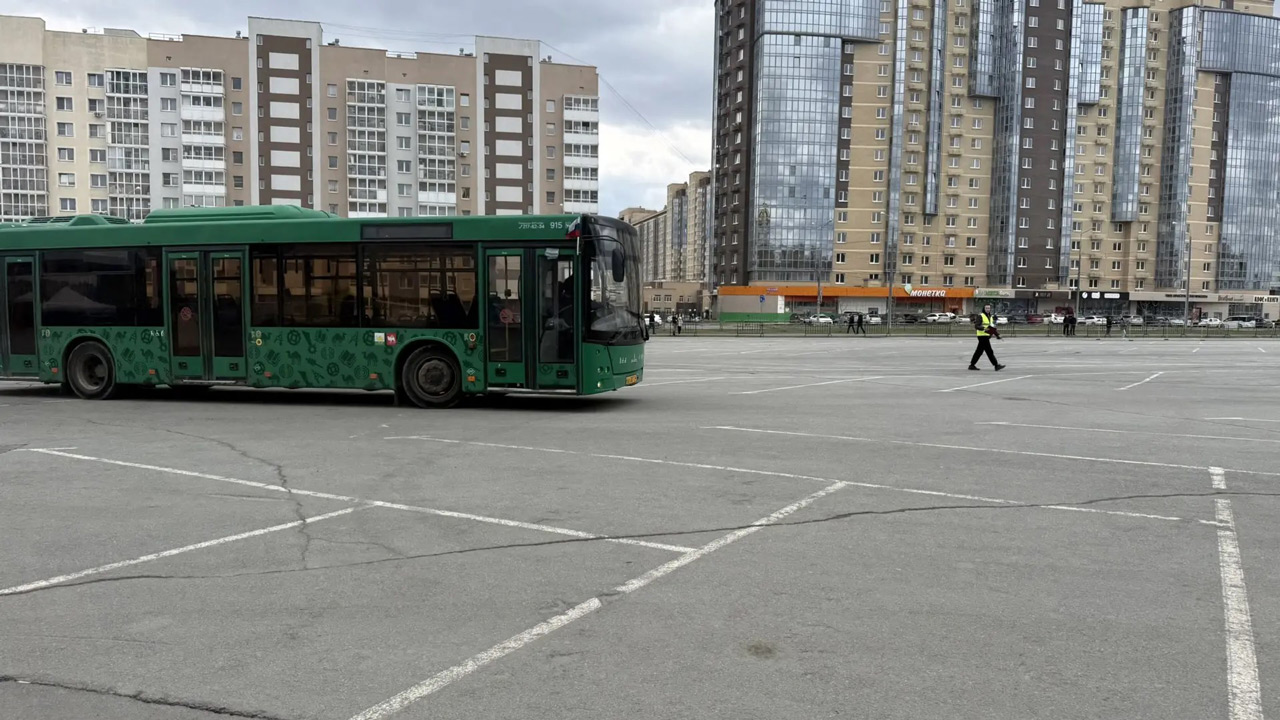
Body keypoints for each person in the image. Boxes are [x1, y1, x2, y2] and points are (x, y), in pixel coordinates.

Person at [969, 304, 1006, 371]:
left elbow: (992, 328)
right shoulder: (980, 316)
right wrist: (983, 328)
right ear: (984, 309)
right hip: (982, 336)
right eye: (986, 308)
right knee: (989, 351)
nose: (988, 309)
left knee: (979, 351)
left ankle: (972, 365)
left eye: (989, 308)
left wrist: (997, 335)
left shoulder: (990, 317)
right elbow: (976, 326)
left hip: (987, 336)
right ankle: (996, 365)